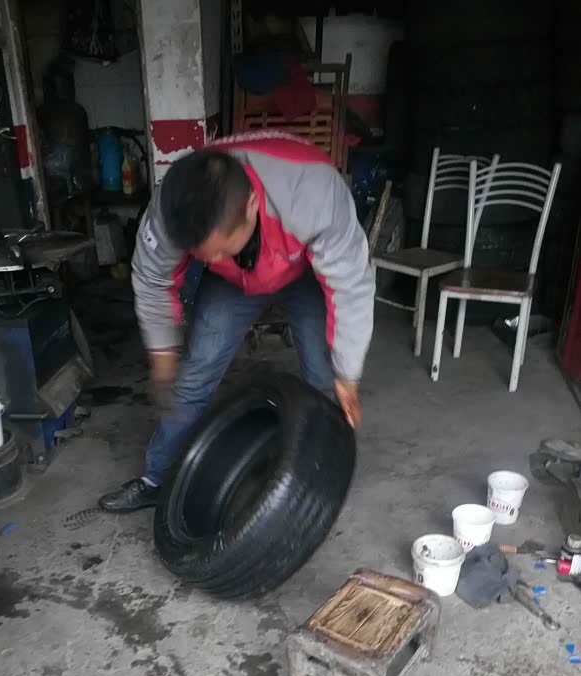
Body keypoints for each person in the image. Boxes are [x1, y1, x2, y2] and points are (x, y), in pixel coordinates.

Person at [99, 131, 375, 513]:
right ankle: (156, 480)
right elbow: (152, 278)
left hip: (306, 271)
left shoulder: (313, 193)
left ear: (251, 205)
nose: (210, 260)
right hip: (233, 282)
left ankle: (319, 484)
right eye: (203, 255)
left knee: (324, 380)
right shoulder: (173, 204)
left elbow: (352, 284)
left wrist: (348, 372)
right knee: (192, 377)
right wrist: (162, 351)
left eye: (220, 250)